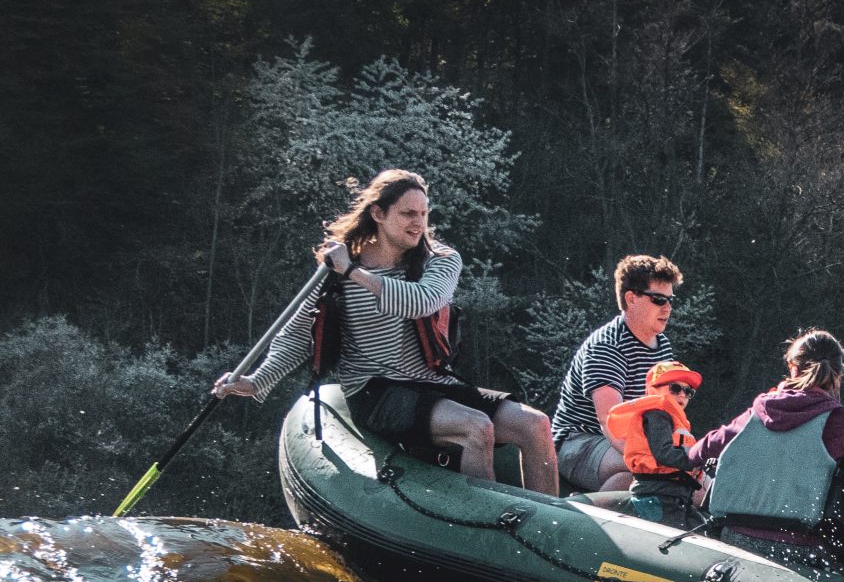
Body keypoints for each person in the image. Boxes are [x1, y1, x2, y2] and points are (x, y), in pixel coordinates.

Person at [217, 169, 556, 494]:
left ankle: (552, 532)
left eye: (424, 214)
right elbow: (297, 336)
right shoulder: (337, 271)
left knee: (535, 424)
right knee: (476, 427)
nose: (419, 223)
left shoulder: (440, 259)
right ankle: (487, 530)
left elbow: (423, 302)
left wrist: (354, 273)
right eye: (408, 213)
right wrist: (256, 381)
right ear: (378, 214)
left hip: (432, 382)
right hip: (374, 391)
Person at [698, 329, 844, 552]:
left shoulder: (758, 411)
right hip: (803, 548)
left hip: (735, 537)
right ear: (838, 373)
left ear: (793, 368)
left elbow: (700, 451)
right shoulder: (842, 421)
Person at [550, 255, 683, 494]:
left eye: (670, 300)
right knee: (641, 470)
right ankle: (581, 521)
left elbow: (666, 411)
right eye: (658, 299)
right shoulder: (607, 345)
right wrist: (658, 459)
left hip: (628, 440)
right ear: (631, 299)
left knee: (687, 476)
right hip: (578, 441)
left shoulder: (663, 345)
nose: (668, 308)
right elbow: (610, 422)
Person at [597, 360, 706, 527]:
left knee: (702, 527)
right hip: (655, 495)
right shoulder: (657, 415)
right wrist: (696, 459)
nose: (682, 394)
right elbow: (663, 453)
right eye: (675, 388)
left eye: (688, 391)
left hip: (672, 495)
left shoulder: (672, 419)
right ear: (651, 390)